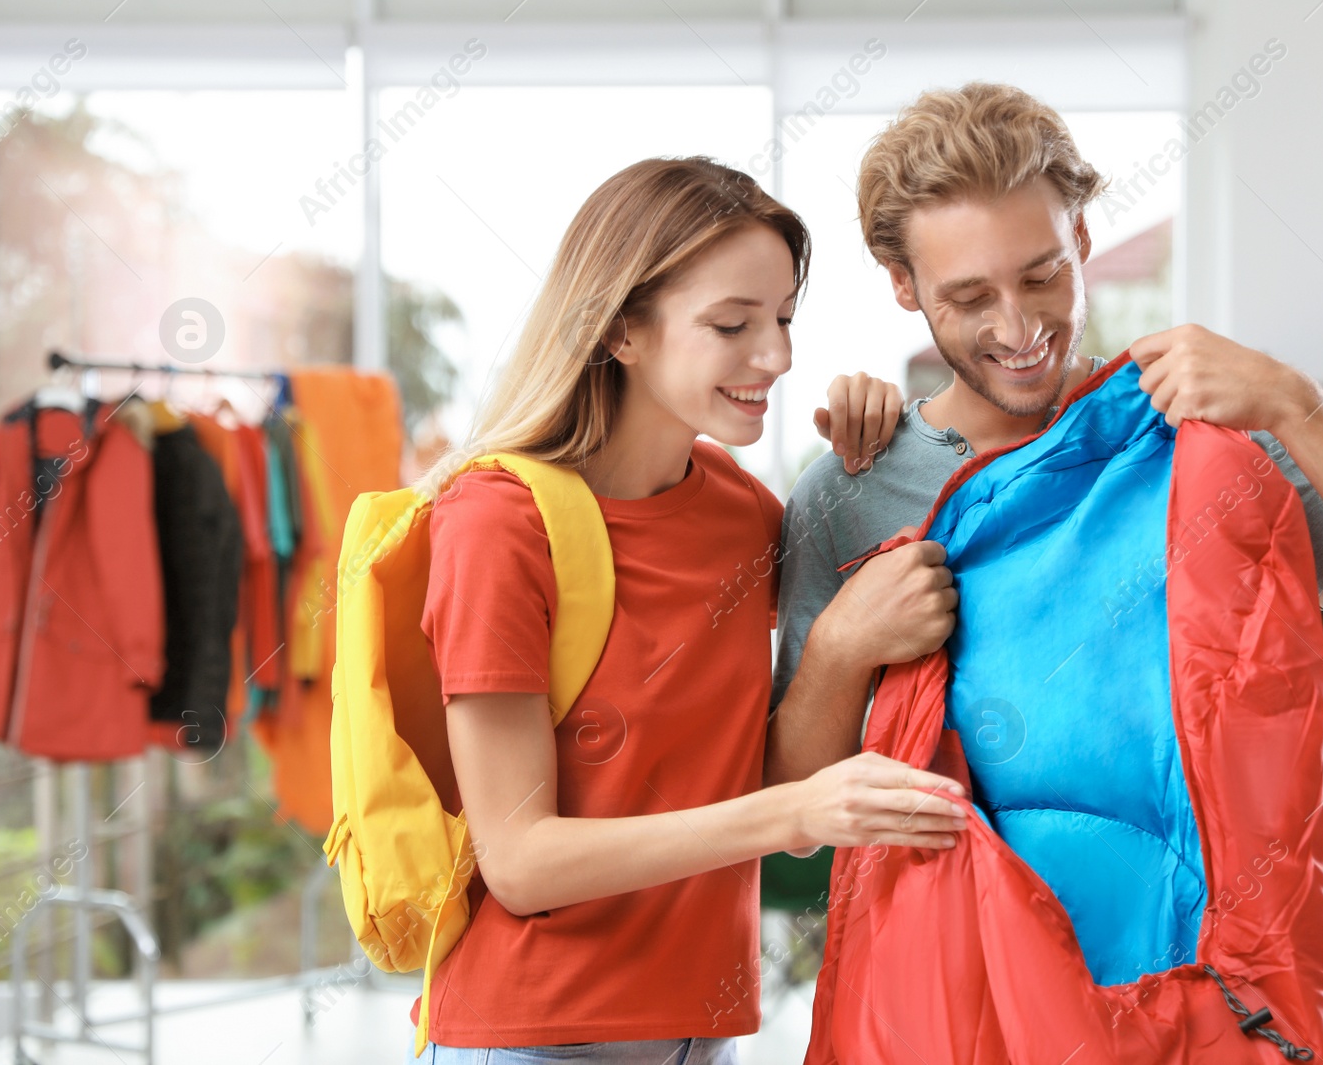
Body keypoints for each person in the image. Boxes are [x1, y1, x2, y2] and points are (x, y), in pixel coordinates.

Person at [765, 81, 1323, 968]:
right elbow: (793, 820)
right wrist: (843, 647)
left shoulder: (1209, 438)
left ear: (1081, 236)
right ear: (902, 285)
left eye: (1041, 274)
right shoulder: (852, 491)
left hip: (1196, 983)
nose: (1018, 325)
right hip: (957, 988)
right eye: (968, 297)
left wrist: (1301, 407)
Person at [408, 156, 965, 1064]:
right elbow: (520, 863)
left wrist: (887, 447)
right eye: (731, 324)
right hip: (538, 1034)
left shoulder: (742, 514)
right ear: (623, 329)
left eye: (783, 317)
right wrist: (794, 816)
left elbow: (767, 761)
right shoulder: (497, 522)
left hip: (699, 1030)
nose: (777, 356)